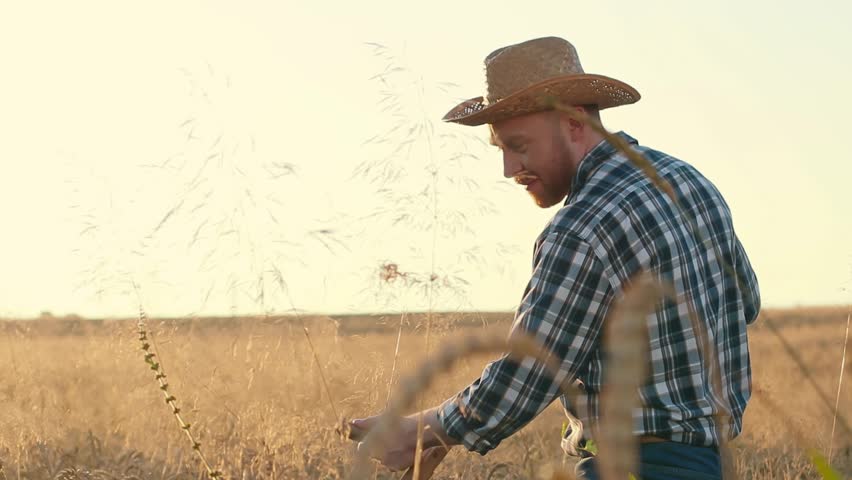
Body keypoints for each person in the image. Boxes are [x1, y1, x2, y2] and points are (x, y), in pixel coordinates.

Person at [350, 36, 760, 480]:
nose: (509, 169)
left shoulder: (581, 227)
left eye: (520, 145)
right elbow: (746, 304)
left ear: (574, 123)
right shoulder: (687, 182)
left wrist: (422, 429)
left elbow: (528, 373)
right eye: (501, 149)